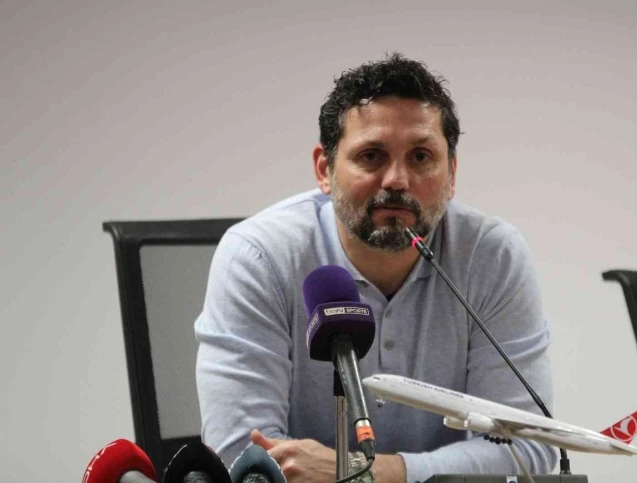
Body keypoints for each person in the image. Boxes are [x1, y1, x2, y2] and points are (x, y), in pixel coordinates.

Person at [195, 52, 557, 483]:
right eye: (371, 156)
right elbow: (245, 459)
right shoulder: (259, 257)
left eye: (421, 156)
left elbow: (528, 448)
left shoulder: (492, 256)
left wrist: (374, 473)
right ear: (325, 170)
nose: (397, 180)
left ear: (452, 174)